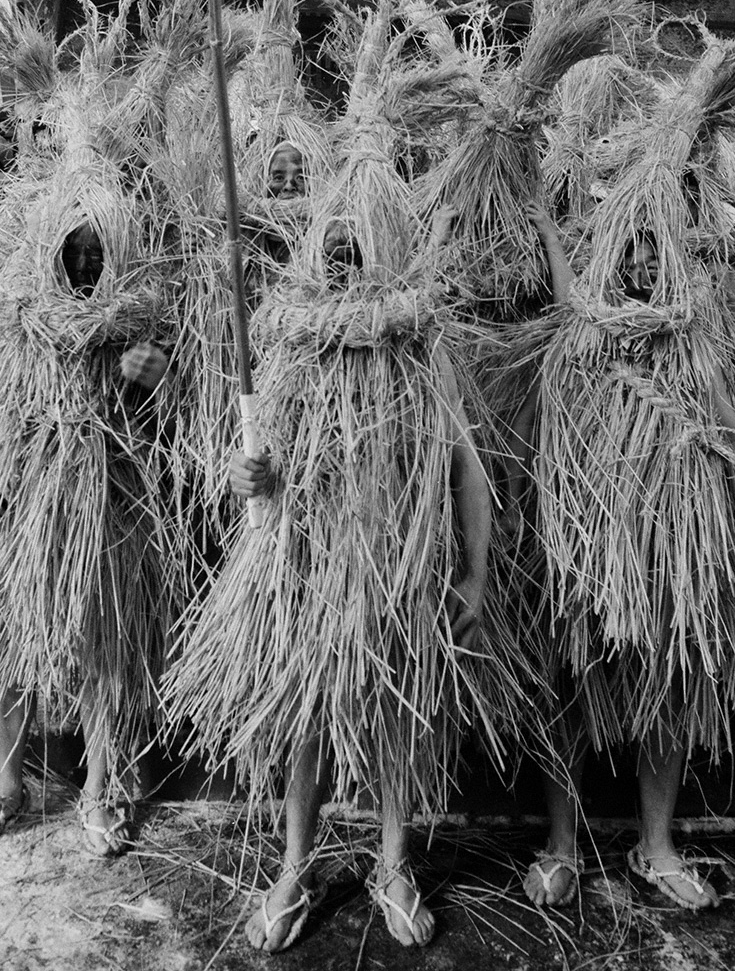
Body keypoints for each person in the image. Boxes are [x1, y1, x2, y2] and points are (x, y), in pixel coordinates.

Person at [168, 210, 497, 953]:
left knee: (397, 717)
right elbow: (256, 469)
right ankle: (296, 865)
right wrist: (246, 473)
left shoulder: (422, 352)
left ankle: (392, 864)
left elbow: (465, 469)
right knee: (308, 718)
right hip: (313, 571)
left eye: (361, 250)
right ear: (320, 256)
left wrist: (474, 575)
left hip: (401, 572)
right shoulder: (294, 347)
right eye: (337, 251)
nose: (349, 265)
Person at [511, 204, 735, 913]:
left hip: (676, 554)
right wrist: (550, 229)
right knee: (570, 686)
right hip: (591, 546)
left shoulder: (693, 347)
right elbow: (573, 298)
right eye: (629, 255)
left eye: (650, 256)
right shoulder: (585, 336)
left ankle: (655, 847)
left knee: (670, 687)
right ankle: (562, 843)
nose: (640, 268)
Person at [0, 220, 173, 854]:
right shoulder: (25, 323)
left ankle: (98, 790)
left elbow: (184, 422)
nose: (82, 264)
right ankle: (8, 776)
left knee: (108, 646)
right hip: (36, 495)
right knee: (15, 637)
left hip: (113, 499)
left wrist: (156, 377)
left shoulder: (140, 319)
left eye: (96, 252)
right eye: (72, 252)